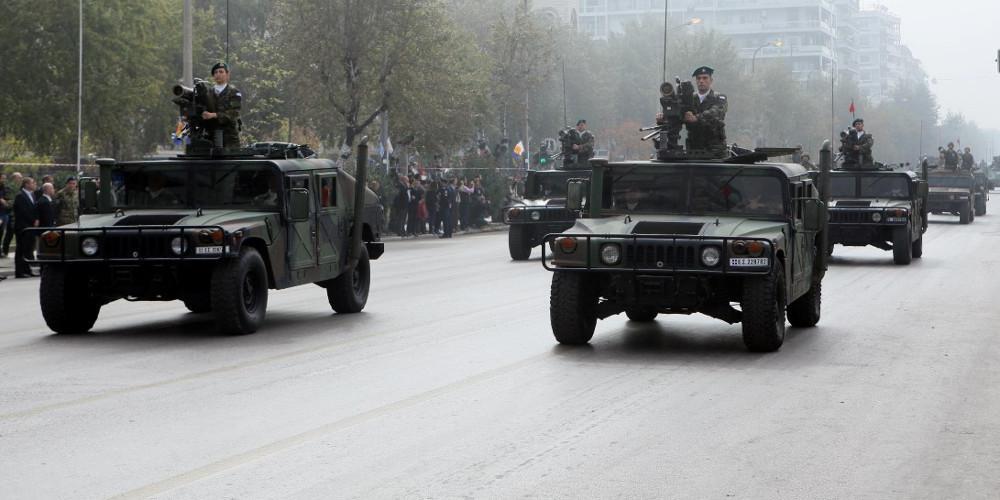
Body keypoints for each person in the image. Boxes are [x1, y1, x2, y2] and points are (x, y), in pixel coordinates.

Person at [673, 66, 728, 158]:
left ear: (711, 80)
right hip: (694, 150)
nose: (701, 81)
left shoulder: (719, 98)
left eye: (705, 78)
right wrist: (665, 117)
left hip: (715, 151)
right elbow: (677, 114)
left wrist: (696, 118)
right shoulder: (689, 99)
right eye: (698, 78)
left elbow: (715, 113)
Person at [202, 62, 242, 149]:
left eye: (221, 72)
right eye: (215, 72)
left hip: (230, 139)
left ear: (227, 75)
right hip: (211, 138)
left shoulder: (234, 92)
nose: (218, 74)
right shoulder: (208, 93)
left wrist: (215, 115)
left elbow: (234, 113)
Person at [13, 177, 39, 278]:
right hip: (23, 227)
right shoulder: (20, 196)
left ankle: (27, 270)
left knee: (28, 250)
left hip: (30, 227)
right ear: (26, 184)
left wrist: (36, 219)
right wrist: (34, 220)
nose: (34, 184)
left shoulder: (32, 194)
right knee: (21, 250)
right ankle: (19, 272)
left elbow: (34, 209)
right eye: (33, 183)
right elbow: (23, 212)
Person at [2, 172, 22, 258]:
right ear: (14, 178)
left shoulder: (20, 187)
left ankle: (19, 252)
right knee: (9, 234)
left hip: (19, 214)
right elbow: (8, 200)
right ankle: (5, 251)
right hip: (11, 214)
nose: (21, 179)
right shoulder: (8, 187)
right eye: (19, 178)